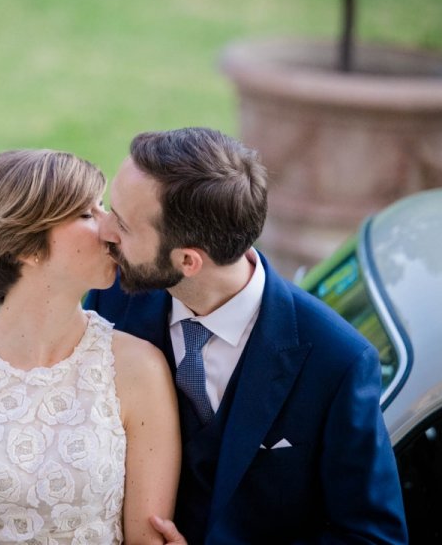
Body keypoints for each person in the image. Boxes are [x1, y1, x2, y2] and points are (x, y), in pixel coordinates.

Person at [87, 127, 408, 544]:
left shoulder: (337, 363)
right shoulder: (112, 301)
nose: (104, 230)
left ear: (187, 260)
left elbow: (372, 537)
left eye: (124, 226)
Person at [0, 149, 180, 545]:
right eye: (87, 215)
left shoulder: (139, 369)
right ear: (24, 245)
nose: (112, 229)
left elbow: (148, 540)